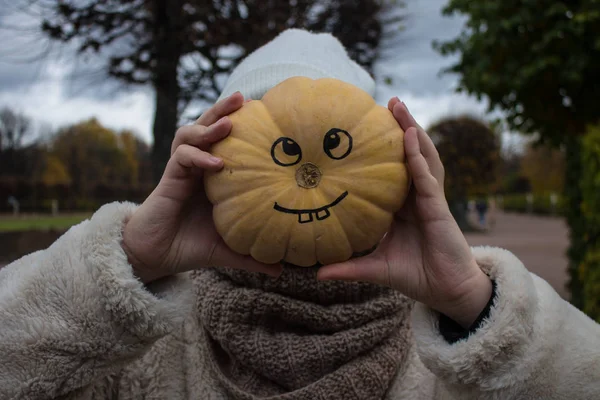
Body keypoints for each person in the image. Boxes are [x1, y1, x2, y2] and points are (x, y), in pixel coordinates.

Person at [0, 29, 598, 400]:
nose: (302, 168)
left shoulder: (452, 353)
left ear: (388, 163)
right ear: (211, 165)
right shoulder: (137, 347)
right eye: (269, 150)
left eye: (334, 145)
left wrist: (473, 303)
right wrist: (125, 264)